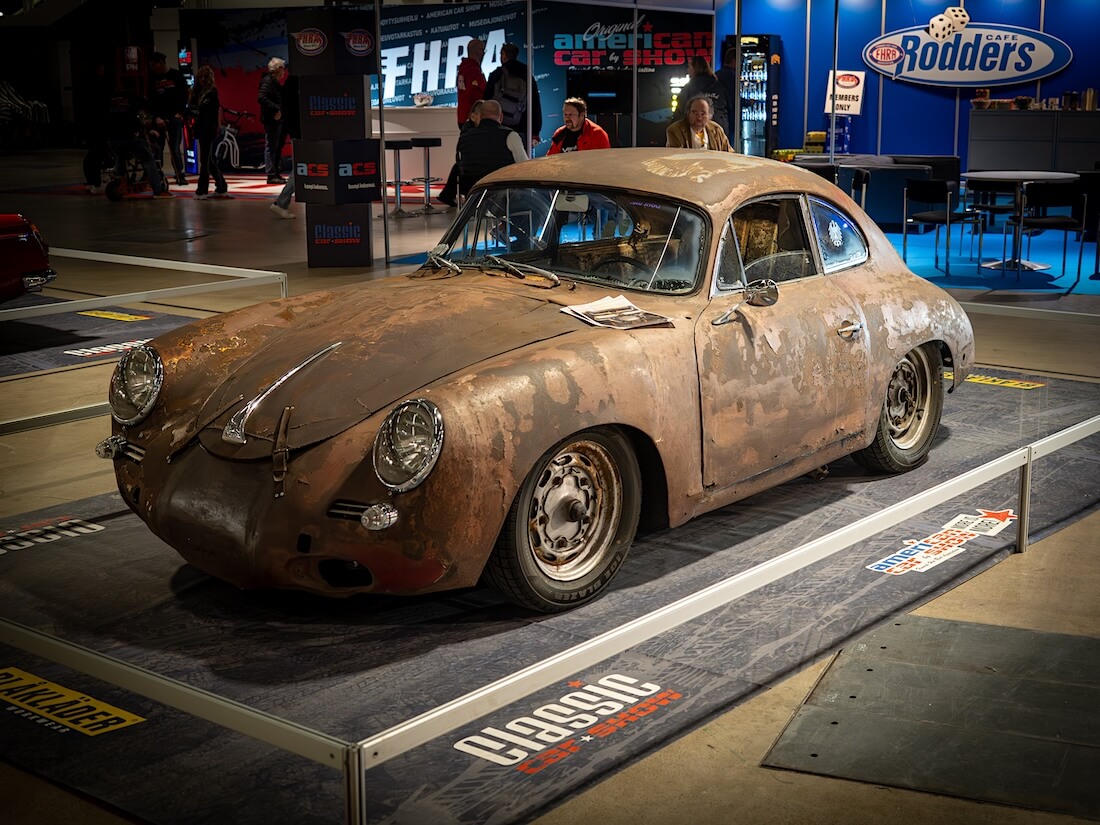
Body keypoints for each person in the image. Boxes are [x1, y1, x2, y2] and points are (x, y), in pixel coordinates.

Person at [104, 88, 173, 199]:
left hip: (112, 138)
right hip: (128, 137)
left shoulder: (111, 98)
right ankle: (158, 190)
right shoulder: (133, 98)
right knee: (148, 158)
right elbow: (147, 108)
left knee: (120, 157)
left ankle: (121, 181)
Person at [456, 98, 528, 195]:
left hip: (473, 194)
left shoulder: (464, 137)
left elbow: (460, 165)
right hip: (502, 194)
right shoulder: (510, 135)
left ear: (480, 116)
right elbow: (525, 166)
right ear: (501, 117)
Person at [485, 43, 542, 150]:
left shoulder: (496, 74)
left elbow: (487, 101)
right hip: (522, 129)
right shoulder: (527, 74)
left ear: (504, 55)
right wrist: (535, 131)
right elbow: (535, 104)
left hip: (499, 129)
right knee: (520, 164)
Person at [188, 66, 231, 201]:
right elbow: (192, 110)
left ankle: (202, 190)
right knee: (208, 159)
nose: (202, 80)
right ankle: (221, 186)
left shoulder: (212, 93)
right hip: (201, 128)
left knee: (205, 160)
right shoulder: (196, 92)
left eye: (205, 77)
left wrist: (217, 126)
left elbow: (212, 112)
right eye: (200, 77)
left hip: (209, 128)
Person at [147, 51, 189, 186]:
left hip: (174, 118)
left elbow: (184, 95)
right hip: (159, 118)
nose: (152, 68)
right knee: (158, 147)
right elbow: (151, 100)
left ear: (161, 63)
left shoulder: (176, 76)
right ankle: (158, 175)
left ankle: (179, 174)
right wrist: (156, 117)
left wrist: (179, 113)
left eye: (154, 65)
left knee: (175, 148)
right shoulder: (152, 79)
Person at [437, 98, 485, 207]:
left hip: (468, 170)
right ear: (473, 116)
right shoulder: (472, 132)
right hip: (472, 173)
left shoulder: (468, 129)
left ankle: (447, 194)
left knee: (457, 167)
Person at [270, 72, 301, 219]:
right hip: (300, 134)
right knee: (300, 168)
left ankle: (281, 202)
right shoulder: (295, 85)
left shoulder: (289, 85)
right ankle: (281, 202)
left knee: (299, 168)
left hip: (297, 133)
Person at [674, 55, 729, 136]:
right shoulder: (719, 85)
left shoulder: (689, 87)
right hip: (719, 128)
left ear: (694, 68)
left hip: (697, 128)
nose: (688, 70)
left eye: (689, 67)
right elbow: (728, 106)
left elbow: (680, 110)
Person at [258, 56, 288, 184]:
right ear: (278, 69)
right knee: (271, 146)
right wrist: (277, 109)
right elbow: (261, 98)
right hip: (271, 119)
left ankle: (275, 172)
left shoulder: (273, 82)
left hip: (276, 119)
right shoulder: (267, 81)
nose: (284, 72)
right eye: (283, 69)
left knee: (275, 146)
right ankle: (271, 174)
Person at [666, 95, 733, 152]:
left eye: (703, 114)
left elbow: (729, 153)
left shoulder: (716, 130)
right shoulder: (675, 130)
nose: (699, 117)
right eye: (695, 113)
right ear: (688, 114)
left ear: (710, 116)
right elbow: (674, 157)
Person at [456, 38, 486, 127]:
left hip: (462, 116)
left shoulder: (463, 68)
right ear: (478, 52)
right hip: (473, 118)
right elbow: (482, 91)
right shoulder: (474, 70)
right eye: (483, 50)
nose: (484, 53)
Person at [714, 46, 739, 138]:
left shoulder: (716, 74)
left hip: (717, 117)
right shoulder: (732, 77)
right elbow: (734, 97)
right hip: (729, 118)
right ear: (733, 60)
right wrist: (747, 102)